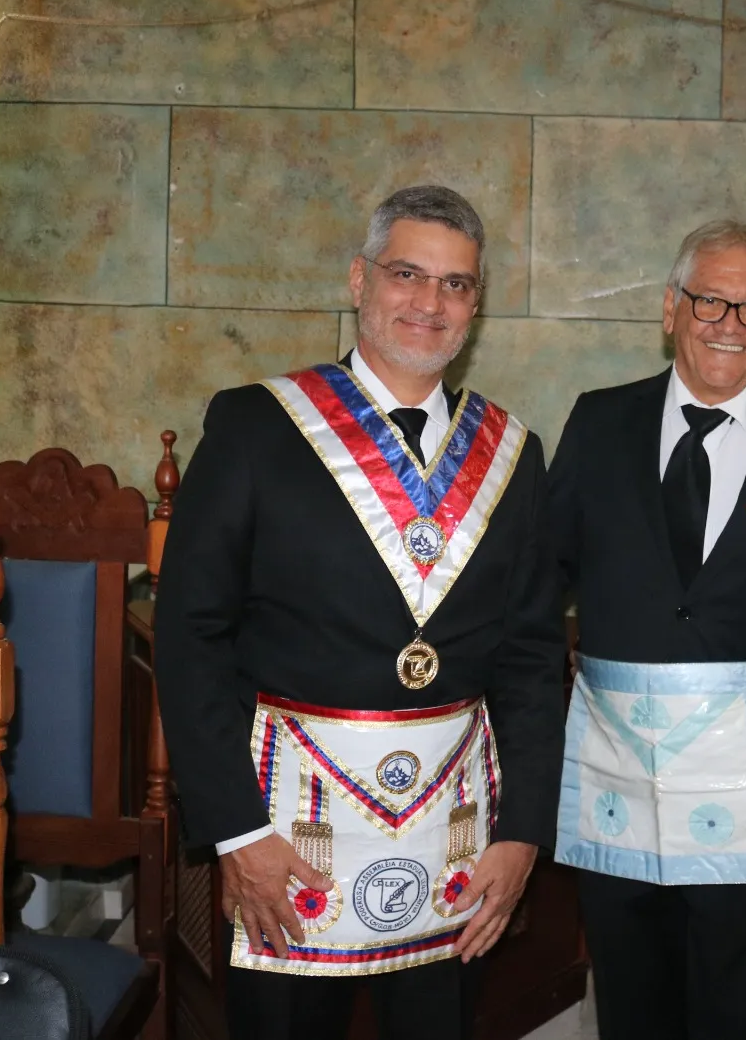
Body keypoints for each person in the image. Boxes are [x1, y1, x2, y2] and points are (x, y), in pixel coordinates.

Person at [154, 185, 564, 1040]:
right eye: (407, 273)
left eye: (456, 284)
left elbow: (530, 657)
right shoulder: (256, 426)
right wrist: (234, 833)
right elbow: (191, 637)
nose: (430, 301)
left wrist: (523, 831)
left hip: (453, 837)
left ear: (476, 305)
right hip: (288, 833)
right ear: (359, 279)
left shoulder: (512, 454)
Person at [548, 219, 746, 1040]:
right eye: (710, 301)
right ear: (671, 309)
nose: (731, 323)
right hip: (613, 787)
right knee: (630, 1009)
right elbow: (535, 596)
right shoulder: (598, 425)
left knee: (731, 1012)